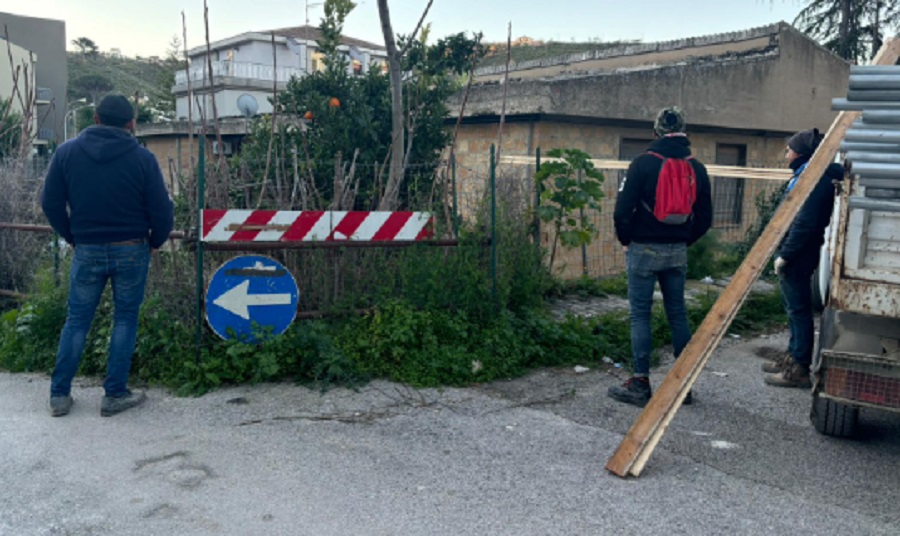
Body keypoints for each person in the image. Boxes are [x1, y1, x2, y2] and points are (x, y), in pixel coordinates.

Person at [41, 94, 174, 417]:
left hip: (87, 249)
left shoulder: (66, 153)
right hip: (132, 249)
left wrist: (72, 236)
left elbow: (50, 203)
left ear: (96, 118)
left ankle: (59, 396)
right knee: (125, 319)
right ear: (131, 124)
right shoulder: (143, 159)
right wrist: (156, 240)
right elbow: (162, 208)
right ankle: (114, 395)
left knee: (76, 320)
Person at [608, 106, 713, 407]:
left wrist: (627, 240)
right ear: (684, 133)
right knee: (677, 313)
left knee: (640, 315)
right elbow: (705, 218)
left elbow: (621, 211)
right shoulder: (698, 168)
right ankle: (683, 385)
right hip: (676, 251)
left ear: (655, 133)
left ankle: (640, 383)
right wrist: (683, 240)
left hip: (643, 248)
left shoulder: (642, 163)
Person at [762, 128, 842, 388]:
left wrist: (786, 254)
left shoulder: (813, 179)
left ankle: (799, 368)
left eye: (789, 149)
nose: (786, 155)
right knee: (792, 308)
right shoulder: (807, 175)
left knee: (798, 310)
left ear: (800, 152)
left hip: (799, 254)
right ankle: (792, 357)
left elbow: (804, 222)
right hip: (799, 252)